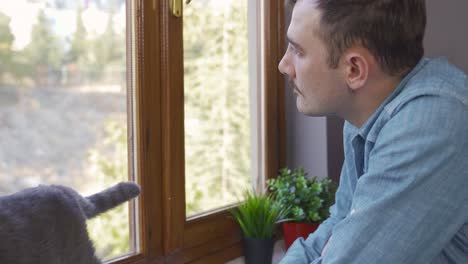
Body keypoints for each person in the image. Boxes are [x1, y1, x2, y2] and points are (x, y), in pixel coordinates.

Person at [277, 0, 468, 263]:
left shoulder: (430, 125)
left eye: (297, 51)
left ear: (354, 69)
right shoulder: (366, 115)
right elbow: (339, 224)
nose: (284, 65)